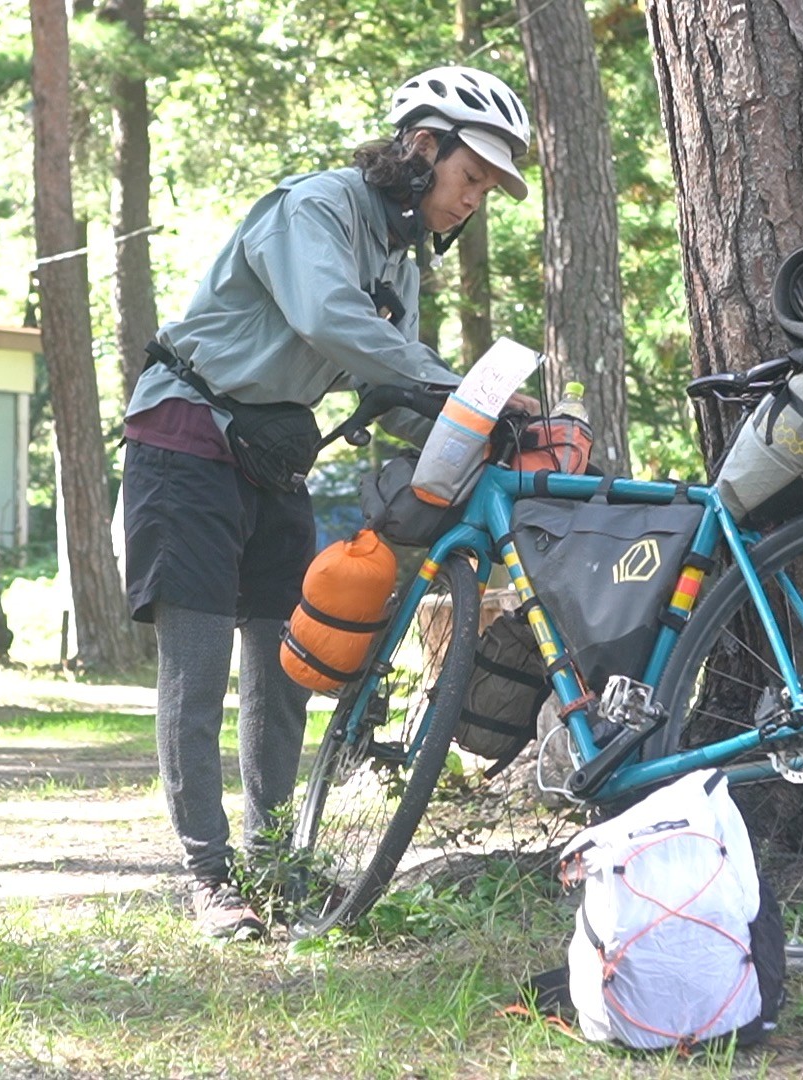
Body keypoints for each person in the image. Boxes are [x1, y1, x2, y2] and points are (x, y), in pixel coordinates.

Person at [119, 66, 534, 939]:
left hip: (272, 456)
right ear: (424, 149)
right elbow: (330, 318)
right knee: (194, 673)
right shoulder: (313, 206)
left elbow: (392, 372)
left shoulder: (402, 260)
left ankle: (275, 864)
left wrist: (476, 420)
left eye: (488, 191)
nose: (474, 201)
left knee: (285, 667)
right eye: (471, 178)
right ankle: (207, 877)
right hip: (185, 438)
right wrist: (455, 383)